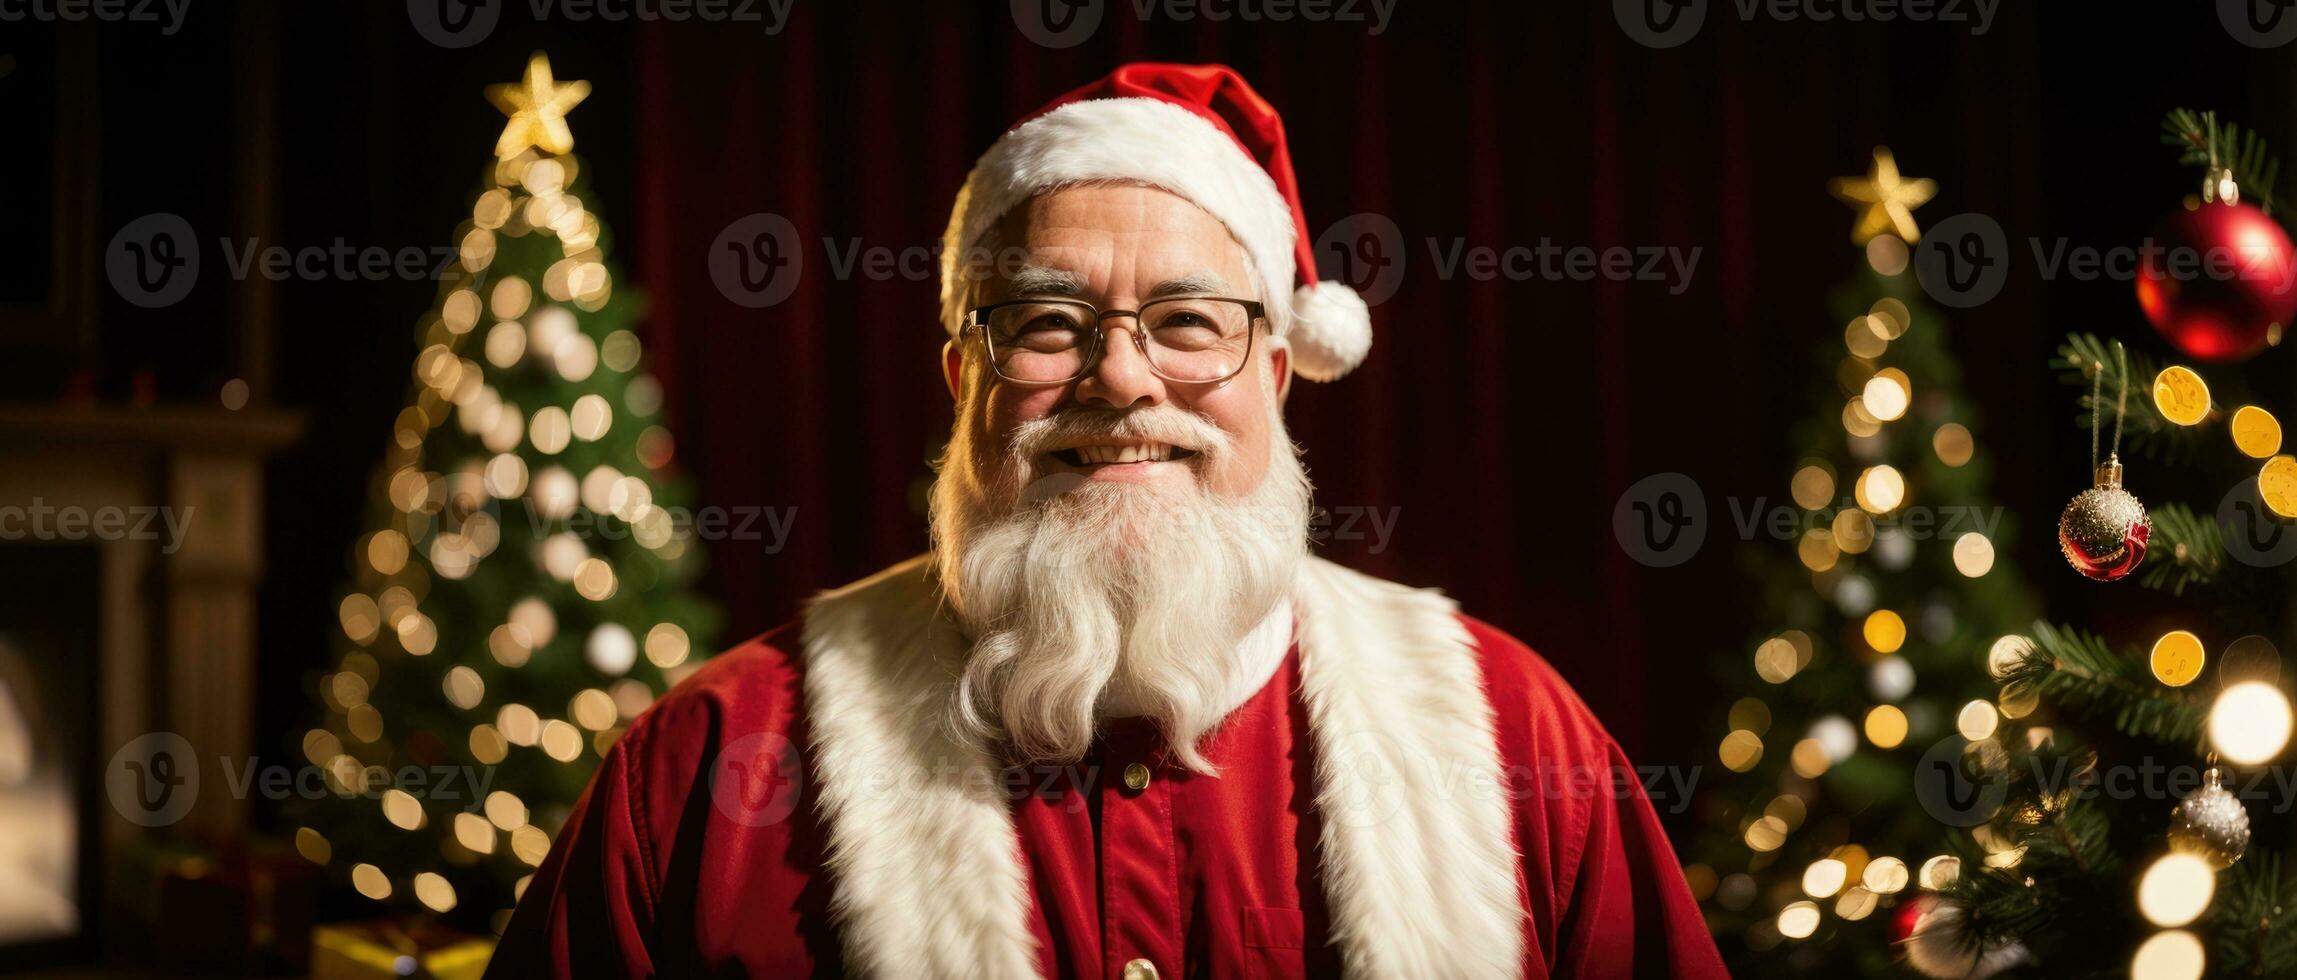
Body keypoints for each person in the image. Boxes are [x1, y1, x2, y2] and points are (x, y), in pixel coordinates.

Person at [492, 62, 1726, 979]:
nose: (1122, 379)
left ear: (1278, 374)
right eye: (1045, 322)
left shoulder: (1515, 739)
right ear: (960, 377)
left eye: (1190, 321)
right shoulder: (706, 768)